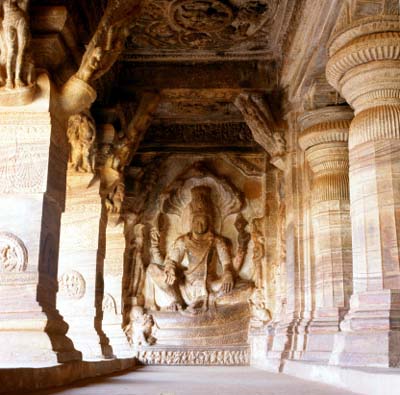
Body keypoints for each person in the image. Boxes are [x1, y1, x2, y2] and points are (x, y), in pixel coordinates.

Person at [144, 186, 235, 314]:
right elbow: (172, 261)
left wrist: (228, 275)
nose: (199, 224)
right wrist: (170, 268)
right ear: (191, 221)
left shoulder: (217, 241)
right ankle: (175, 300)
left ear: (209, 221)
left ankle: (207, 300)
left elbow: (227, 265)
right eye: (196, 220)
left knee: (246, 288)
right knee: (153, 269)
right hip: (186, 286)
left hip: (210, 285)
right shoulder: (183, 241)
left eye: (203, 220)